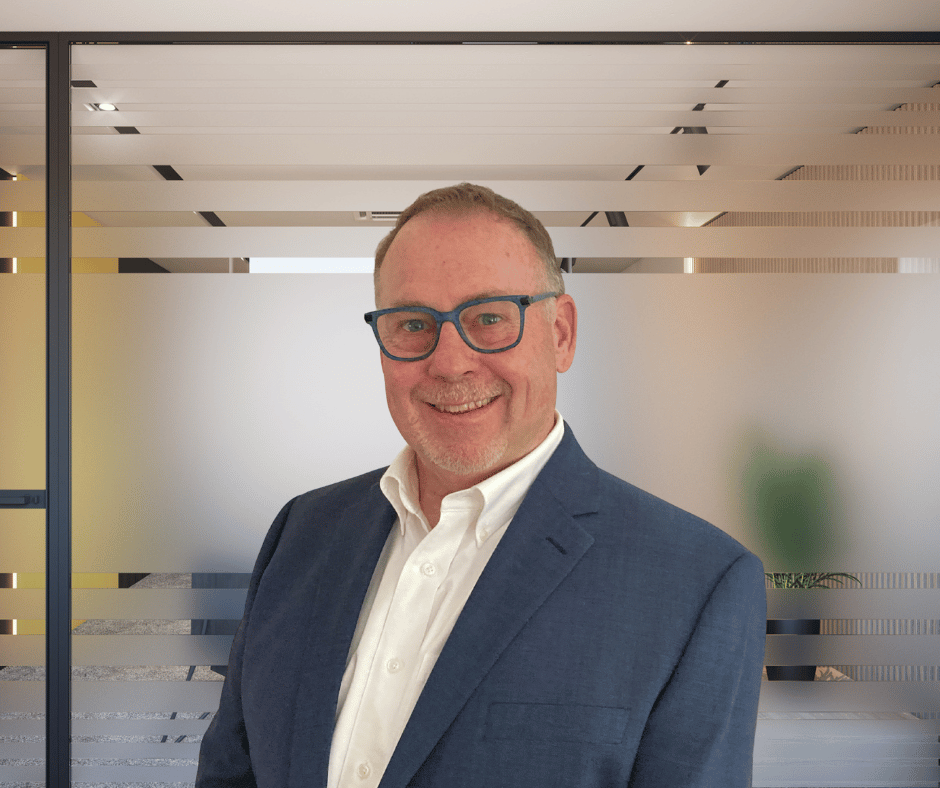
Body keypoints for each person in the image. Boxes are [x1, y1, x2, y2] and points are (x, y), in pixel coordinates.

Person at [195, 183, 766, 788]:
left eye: (489, 318)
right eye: (413, 323)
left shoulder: (695, 583)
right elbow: (233, 770)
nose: (449, 362)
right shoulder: (304, 532)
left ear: (562, 334)